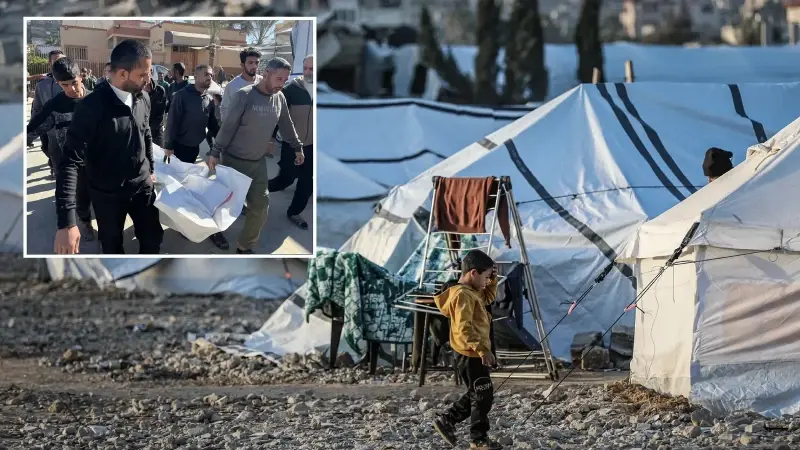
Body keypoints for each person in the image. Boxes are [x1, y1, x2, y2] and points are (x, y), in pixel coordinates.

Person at [54, 39, 163, 255]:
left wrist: (150, 168)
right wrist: (67, 222)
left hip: (142, 186)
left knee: (152, 239)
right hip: (108, 194)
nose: (148, 79)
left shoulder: (143, 98)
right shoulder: (92, 107)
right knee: (112, 245)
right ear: (123, 74)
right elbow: (70, 162)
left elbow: (146, 133)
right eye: (143, 74)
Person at [207, 57, 304, 255]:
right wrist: (215, 151)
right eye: (279, 79)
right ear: (266, 73)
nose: (282, 84)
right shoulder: (245, 95)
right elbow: (228, 127)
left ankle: (245, 246)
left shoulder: (280, 98)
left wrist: (297, 146)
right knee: (225, 204)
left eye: (285, 80)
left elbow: (286, 125)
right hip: (234, 161)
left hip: (257, 163)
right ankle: (214, 231)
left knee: (260, 207)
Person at [432, 249, 501, 450]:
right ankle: (478, 439)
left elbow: (487, 298)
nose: (487, 281)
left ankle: (447, 420)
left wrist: (492, 281)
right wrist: (482, 349)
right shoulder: (463, 295)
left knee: (478, 392)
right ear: (473, 273)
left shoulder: (472, 291)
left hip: (472, 352)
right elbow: (465, 327)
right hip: (469, 353)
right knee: (482, 394)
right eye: (486, 277)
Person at [27, 57, 96, 241]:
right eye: (65, 85)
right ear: (58, 84)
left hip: (97, 159)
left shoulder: (96, 100)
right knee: (79, 193)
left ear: (81, 76)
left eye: (74, 83)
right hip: (71, 160)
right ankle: (85, 221)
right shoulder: (55, 105)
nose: (71, 89)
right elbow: (33, 129)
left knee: (97, 193)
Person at [164, 65, 228, 250]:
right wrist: (169, 146)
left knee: (190, 188)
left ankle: (188, 220)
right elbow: (171, 122)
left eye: (212, 75)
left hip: (194, 149)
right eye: (206, 74)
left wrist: (219, 144)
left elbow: (212, 125)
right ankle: (181, 223)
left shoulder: (207, 99)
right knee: (180, 189)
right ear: (196, 76)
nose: (210, 78)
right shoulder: (181, 96)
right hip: (179, 150)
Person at [268, 54, 314, 230]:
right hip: (293, 145)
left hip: (313, 147)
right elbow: (276, 116)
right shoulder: (291, 90)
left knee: (307, 182)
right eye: (306, 68)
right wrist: (271, 139)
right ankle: (251, 193)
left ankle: (294, 212)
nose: (308, 72)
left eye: (312, 69)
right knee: (284, 180)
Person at [31, 49, 66, 178]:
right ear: (49, 64)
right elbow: (37, 108)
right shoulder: (42, 84)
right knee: (55, 162)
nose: (59, 63)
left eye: (62, 60)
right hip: (51, 133)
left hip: (72, 132)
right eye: (56, 61)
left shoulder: (73, 81)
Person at [220, 47, 262, 122]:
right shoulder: (232, 86)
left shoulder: (263, 82)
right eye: (250, 63)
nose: (254, 66)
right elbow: (225, 110)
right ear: (242, 65)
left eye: (257, 63)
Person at [143, 77, 168, 147]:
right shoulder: (137, 91)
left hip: (157, 132)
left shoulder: (160, 90)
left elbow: (161, 114)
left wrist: (150, 128)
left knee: (160, 154)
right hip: (142, 132)